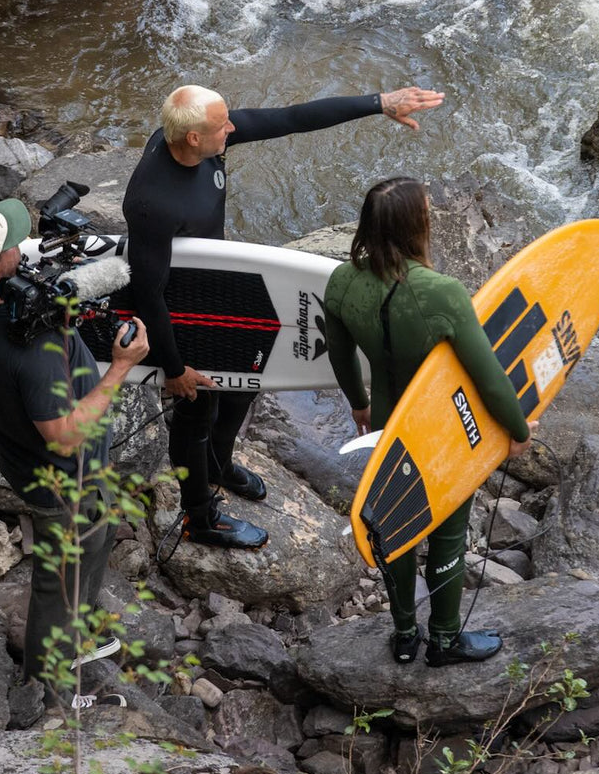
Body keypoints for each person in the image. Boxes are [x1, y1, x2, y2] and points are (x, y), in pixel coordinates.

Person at [124, 84, 445, 550]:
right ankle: (199, 517)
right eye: (222, 126)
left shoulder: (203, 135)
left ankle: (220, 463)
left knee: (245, 385)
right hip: (182, 310)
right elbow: (148, 293)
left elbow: (291, 116)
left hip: (222, 281)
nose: (232, 129)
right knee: (197, 409)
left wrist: (378, 103)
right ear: (193, 138)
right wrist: (174, 370)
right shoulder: (151, 202)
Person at [0, 198, 151, 706]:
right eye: (10, 246)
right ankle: (47, 688)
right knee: (59, 579)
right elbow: (64, 436)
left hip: (24, 455)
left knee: (96, 543)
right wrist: (120, 366)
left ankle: (79, 629)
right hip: (60, 474)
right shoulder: (32, 354)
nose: (20, 248)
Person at [322, 177, 535, 666]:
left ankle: (402, 634)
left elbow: (338, 352)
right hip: (440, 433)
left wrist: (359, 403)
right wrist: (518, 432)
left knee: (392, 520)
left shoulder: (341, 281)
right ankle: (442, 639)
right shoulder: (442, 293)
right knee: (446, 529)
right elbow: (491, 380)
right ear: (415, 226)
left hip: (388, 428)